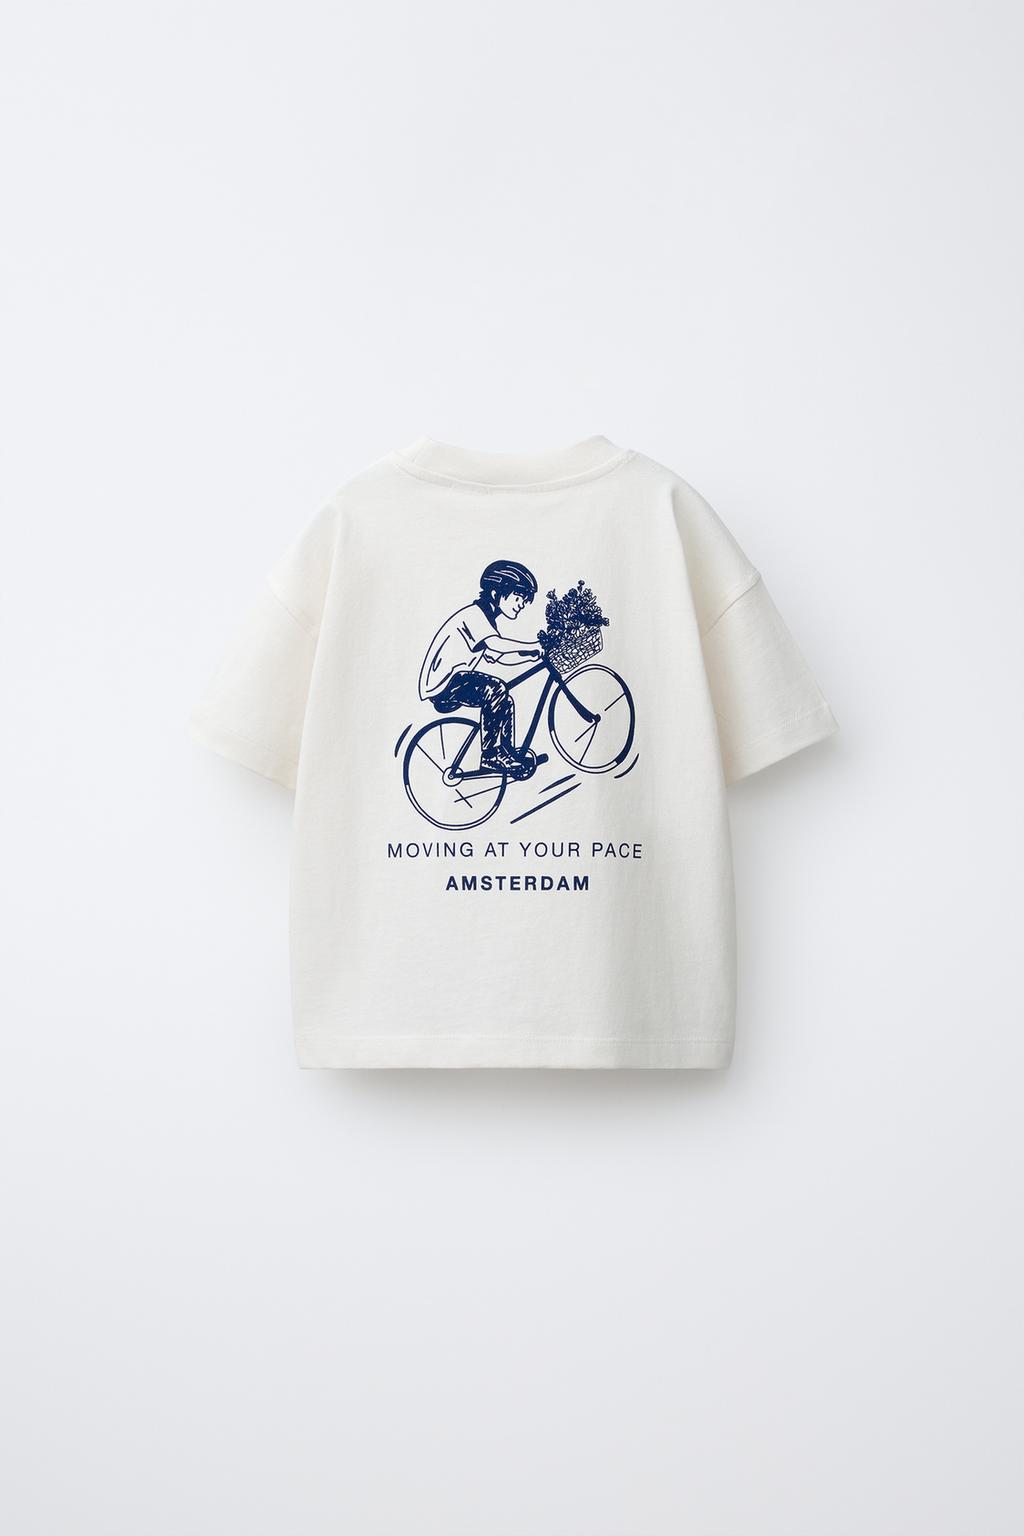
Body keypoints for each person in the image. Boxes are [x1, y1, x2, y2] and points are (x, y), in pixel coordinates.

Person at [418, 560, 543, 779]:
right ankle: (490, 756)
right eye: (518, 596)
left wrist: (530, 657)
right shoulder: (474, 615)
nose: (522, 604)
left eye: (525, 599)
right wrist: (531, 646)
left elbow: (498, 657)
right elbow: (497, 645)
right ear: (496, 592)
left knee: (505, 700)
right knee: (496, 689)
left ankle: (507, 754)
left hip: (455, 680)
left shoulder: (487, 621)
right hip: (444, 684)